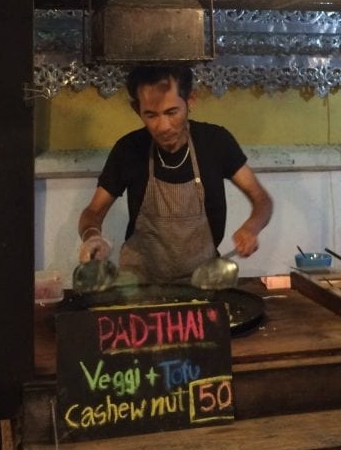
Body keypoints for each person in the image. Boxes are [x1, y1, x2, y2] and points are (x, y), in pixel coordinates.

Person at [77, 63, 273, 284]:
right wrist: (91, 237)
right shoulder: (128, 149)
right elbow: (93, 212)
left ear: (190, 101)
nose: (163, 126)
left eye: (172, 112)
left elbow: (262, 199)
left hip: (203, 281)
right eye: (151, 115)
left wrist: (252, 227)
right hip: (139, 283)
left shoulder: (215, 142)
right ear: (136, 109)